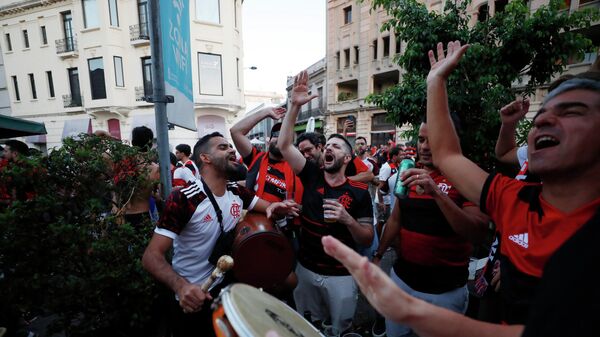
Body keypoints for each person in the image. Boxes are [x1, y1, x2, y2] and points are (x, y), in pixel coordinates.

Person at [142, 132, 298, 337]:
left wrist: (278, 207)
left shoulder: (237, 192)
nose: (232, 150)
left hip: (226, 289)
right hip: (193, 297)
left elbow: (267, 206)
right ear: (205, 158)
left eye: (230, 146)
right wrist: (181, 287)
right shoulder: (183, 198)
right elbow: (151, 256)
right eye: (223, 147)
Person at [372, 119, 489, 337]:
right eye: (421, 139)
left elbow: (477, 232)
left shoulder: (468, 178)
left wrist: (436, 192)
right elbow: (396, 220)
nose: (424, 146)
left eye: (432, 139)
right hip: (402, 283)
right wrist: (378, 256)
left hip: (444, 293)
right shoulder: (409, 173)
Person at [279, 70, 374, 333]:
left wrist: (347, 219)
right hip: (306, 270)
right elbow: (285, 145)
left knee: (338, 328)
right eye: (328, 144)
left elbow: (366, 238)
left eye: (337, 147)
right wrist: (295, 106)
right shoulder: (311, 174)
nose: (330, 148)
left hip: (341, 276)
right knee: (307, 326)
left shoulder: (358, 192)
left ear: (347, 159)